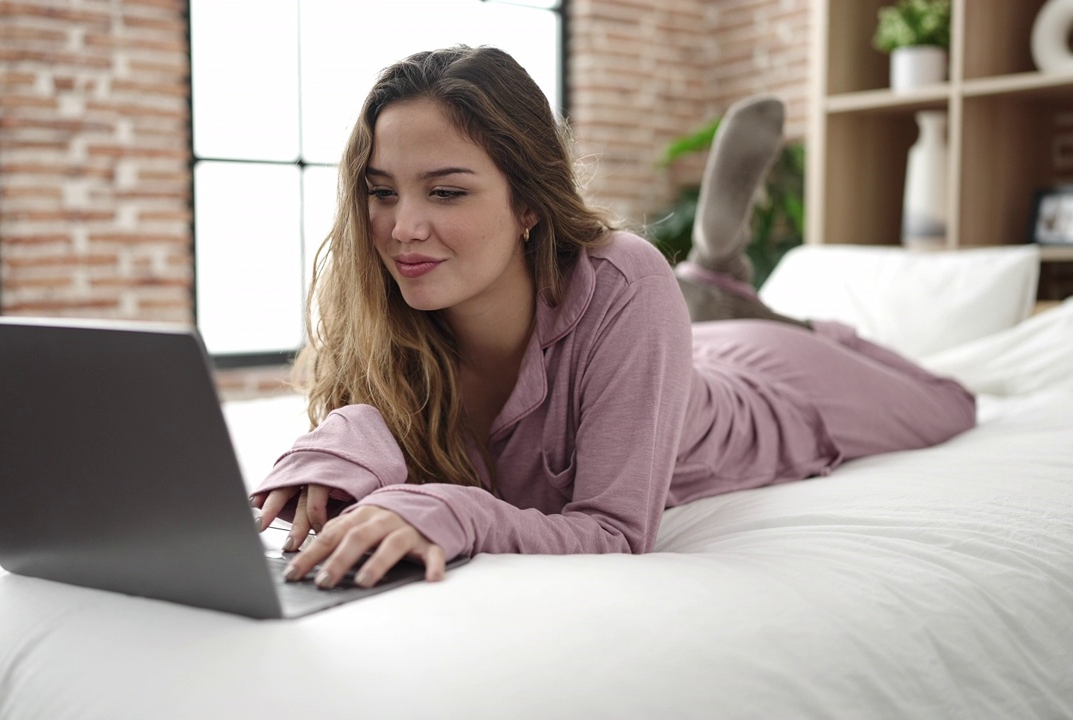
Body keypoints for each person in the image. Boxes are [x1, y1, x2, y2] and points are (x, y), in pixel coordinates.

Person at [250, 45, 976, 590]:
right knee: (662, 312)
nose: (402, 227)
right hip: (670, 345)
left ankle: (724, 287)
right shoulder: (392, 305)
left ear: (529, 203)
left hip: (775, 384)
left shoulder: (623, 277)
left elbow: (616, 533)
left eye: (445, 193)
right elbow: (386, 427)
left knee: (954, 404)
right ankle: (715, 284)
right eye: (381, 192)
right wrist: (340, 442)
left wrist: (457, 510)